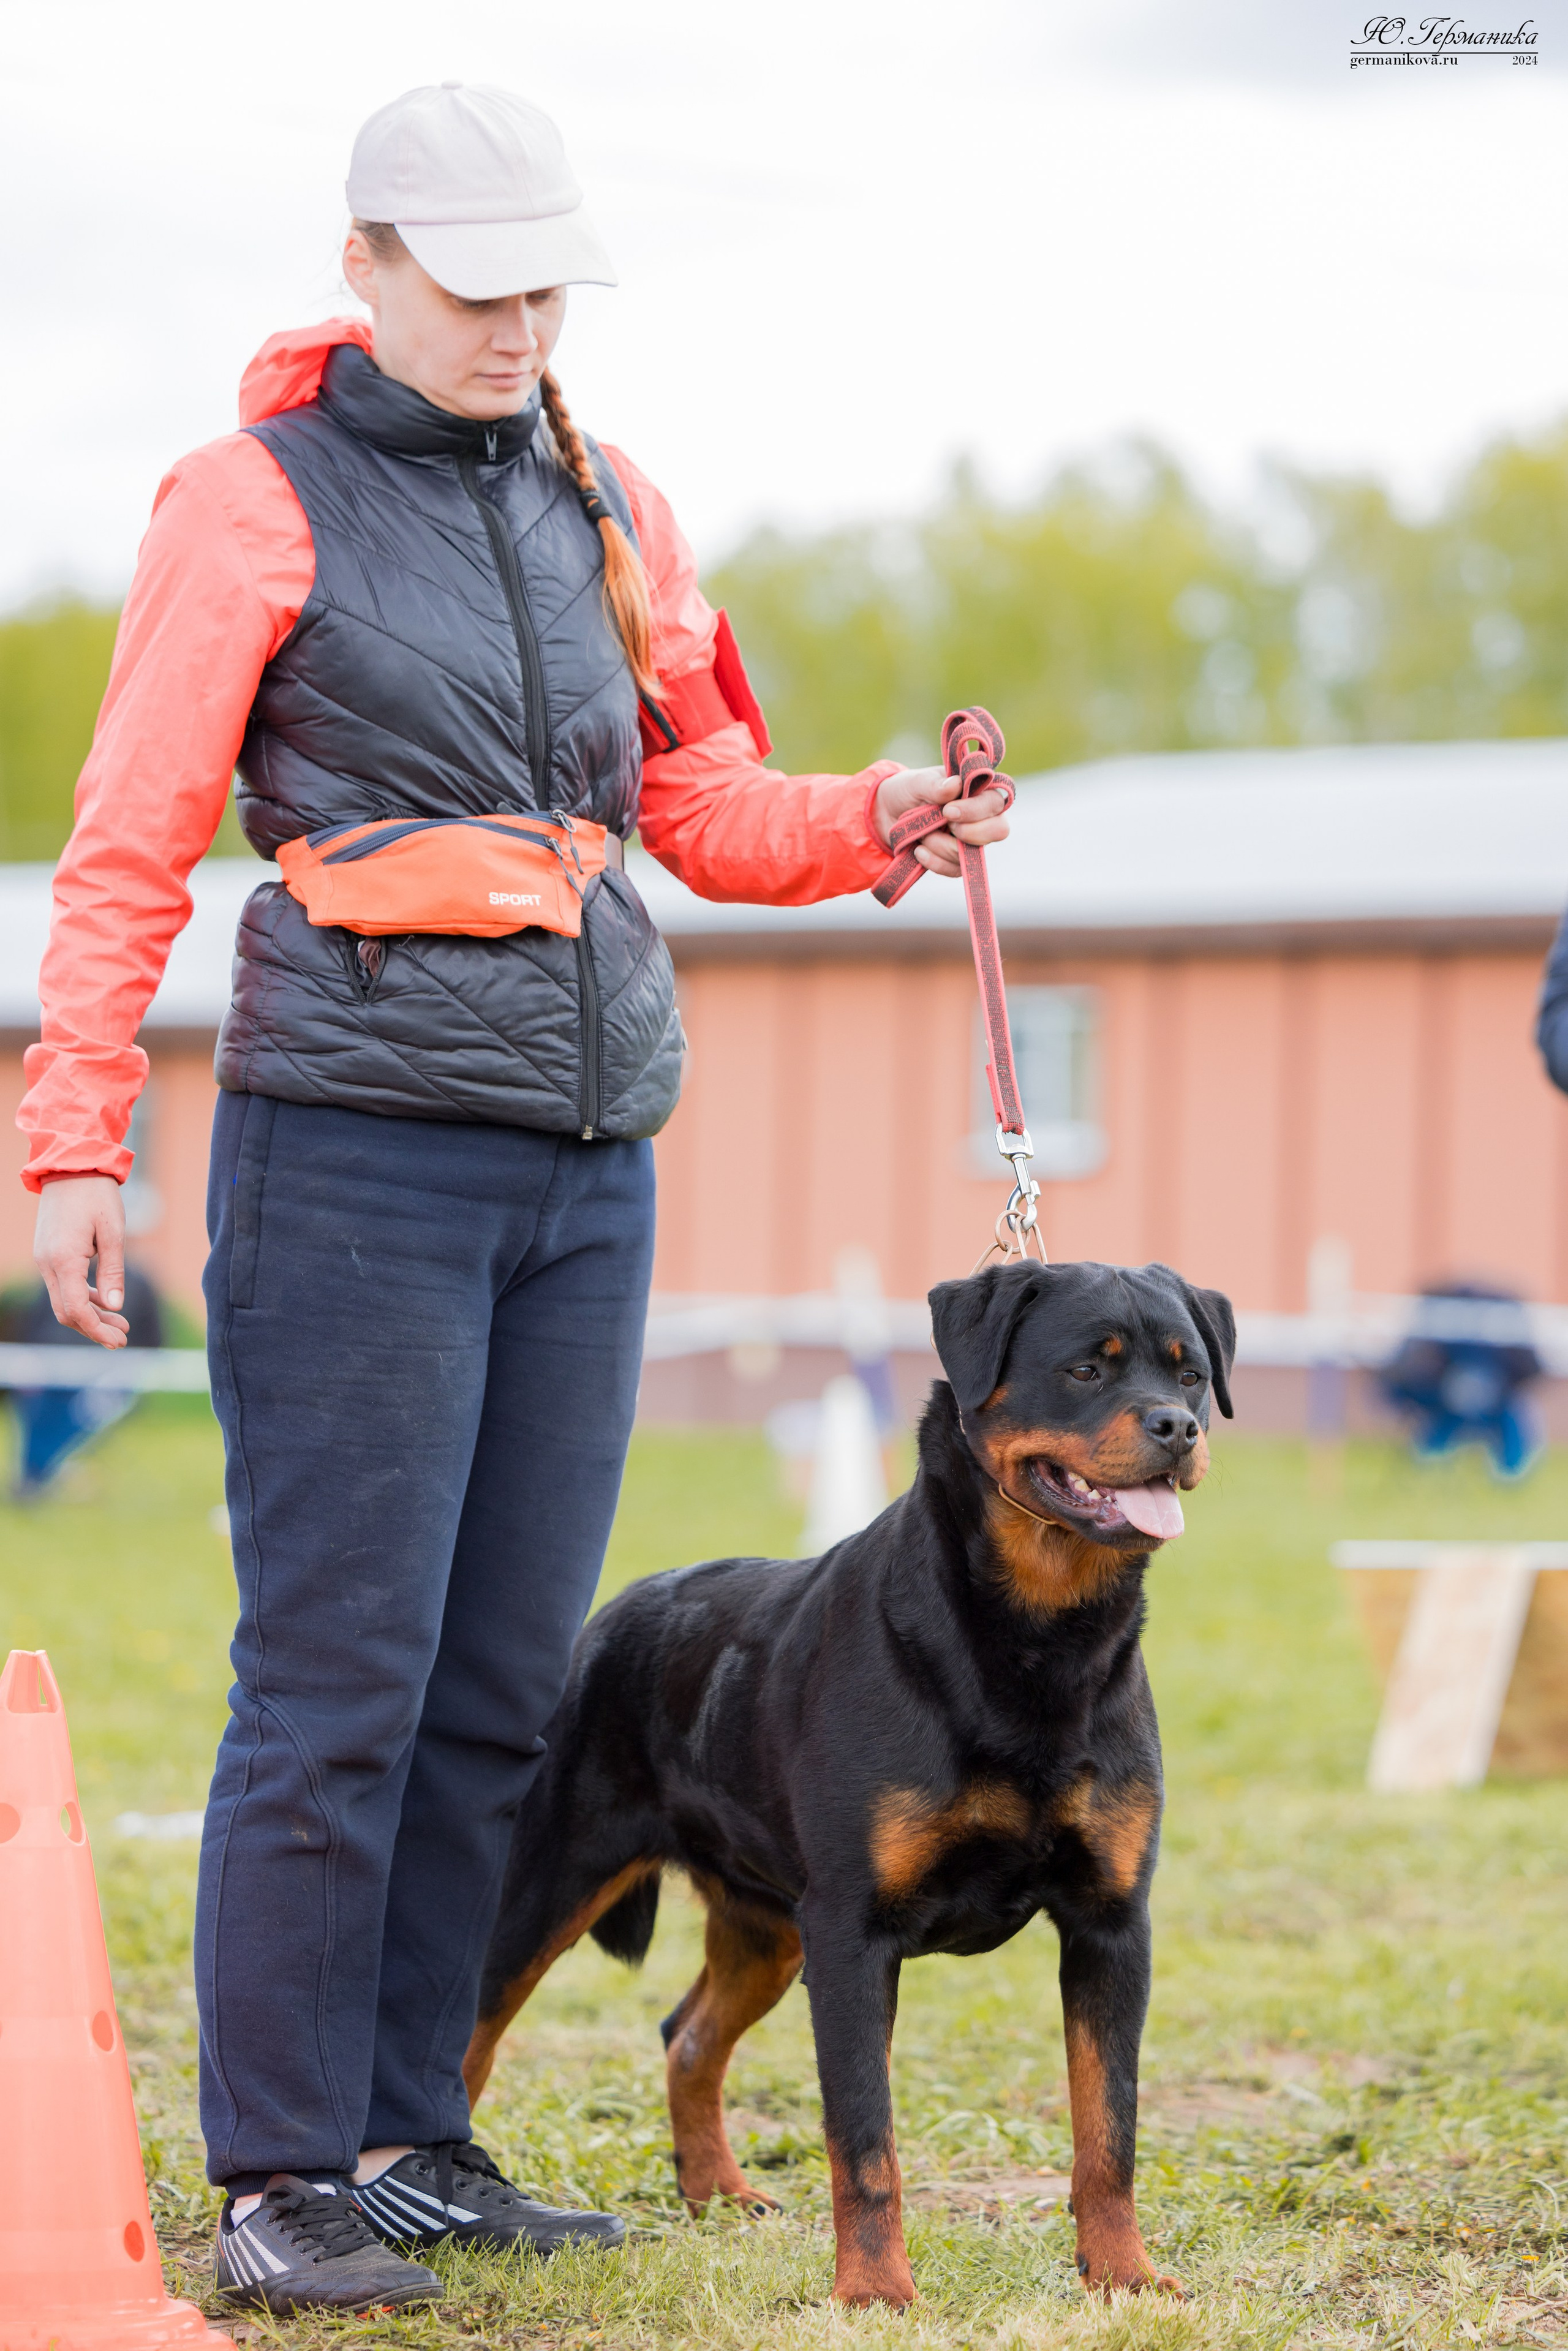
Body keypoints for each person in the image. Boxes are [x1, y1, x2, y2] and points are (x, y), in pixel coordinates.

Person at [20, 83, 1010, 2316]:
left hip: (584, 1167)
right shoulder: (245, 501)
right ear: (365, 265)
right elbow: (124, 846)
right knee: (337, 1685)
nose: (517, 324)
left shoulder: (612, 497)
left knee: (500, 1694)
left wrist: (879, 813)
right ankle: (281, 2175)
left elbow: (702, 804)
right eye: (474, 285)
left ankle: (410, 2141)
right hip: (351, 1156)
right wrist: (75, 1137)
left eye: (545, 284)